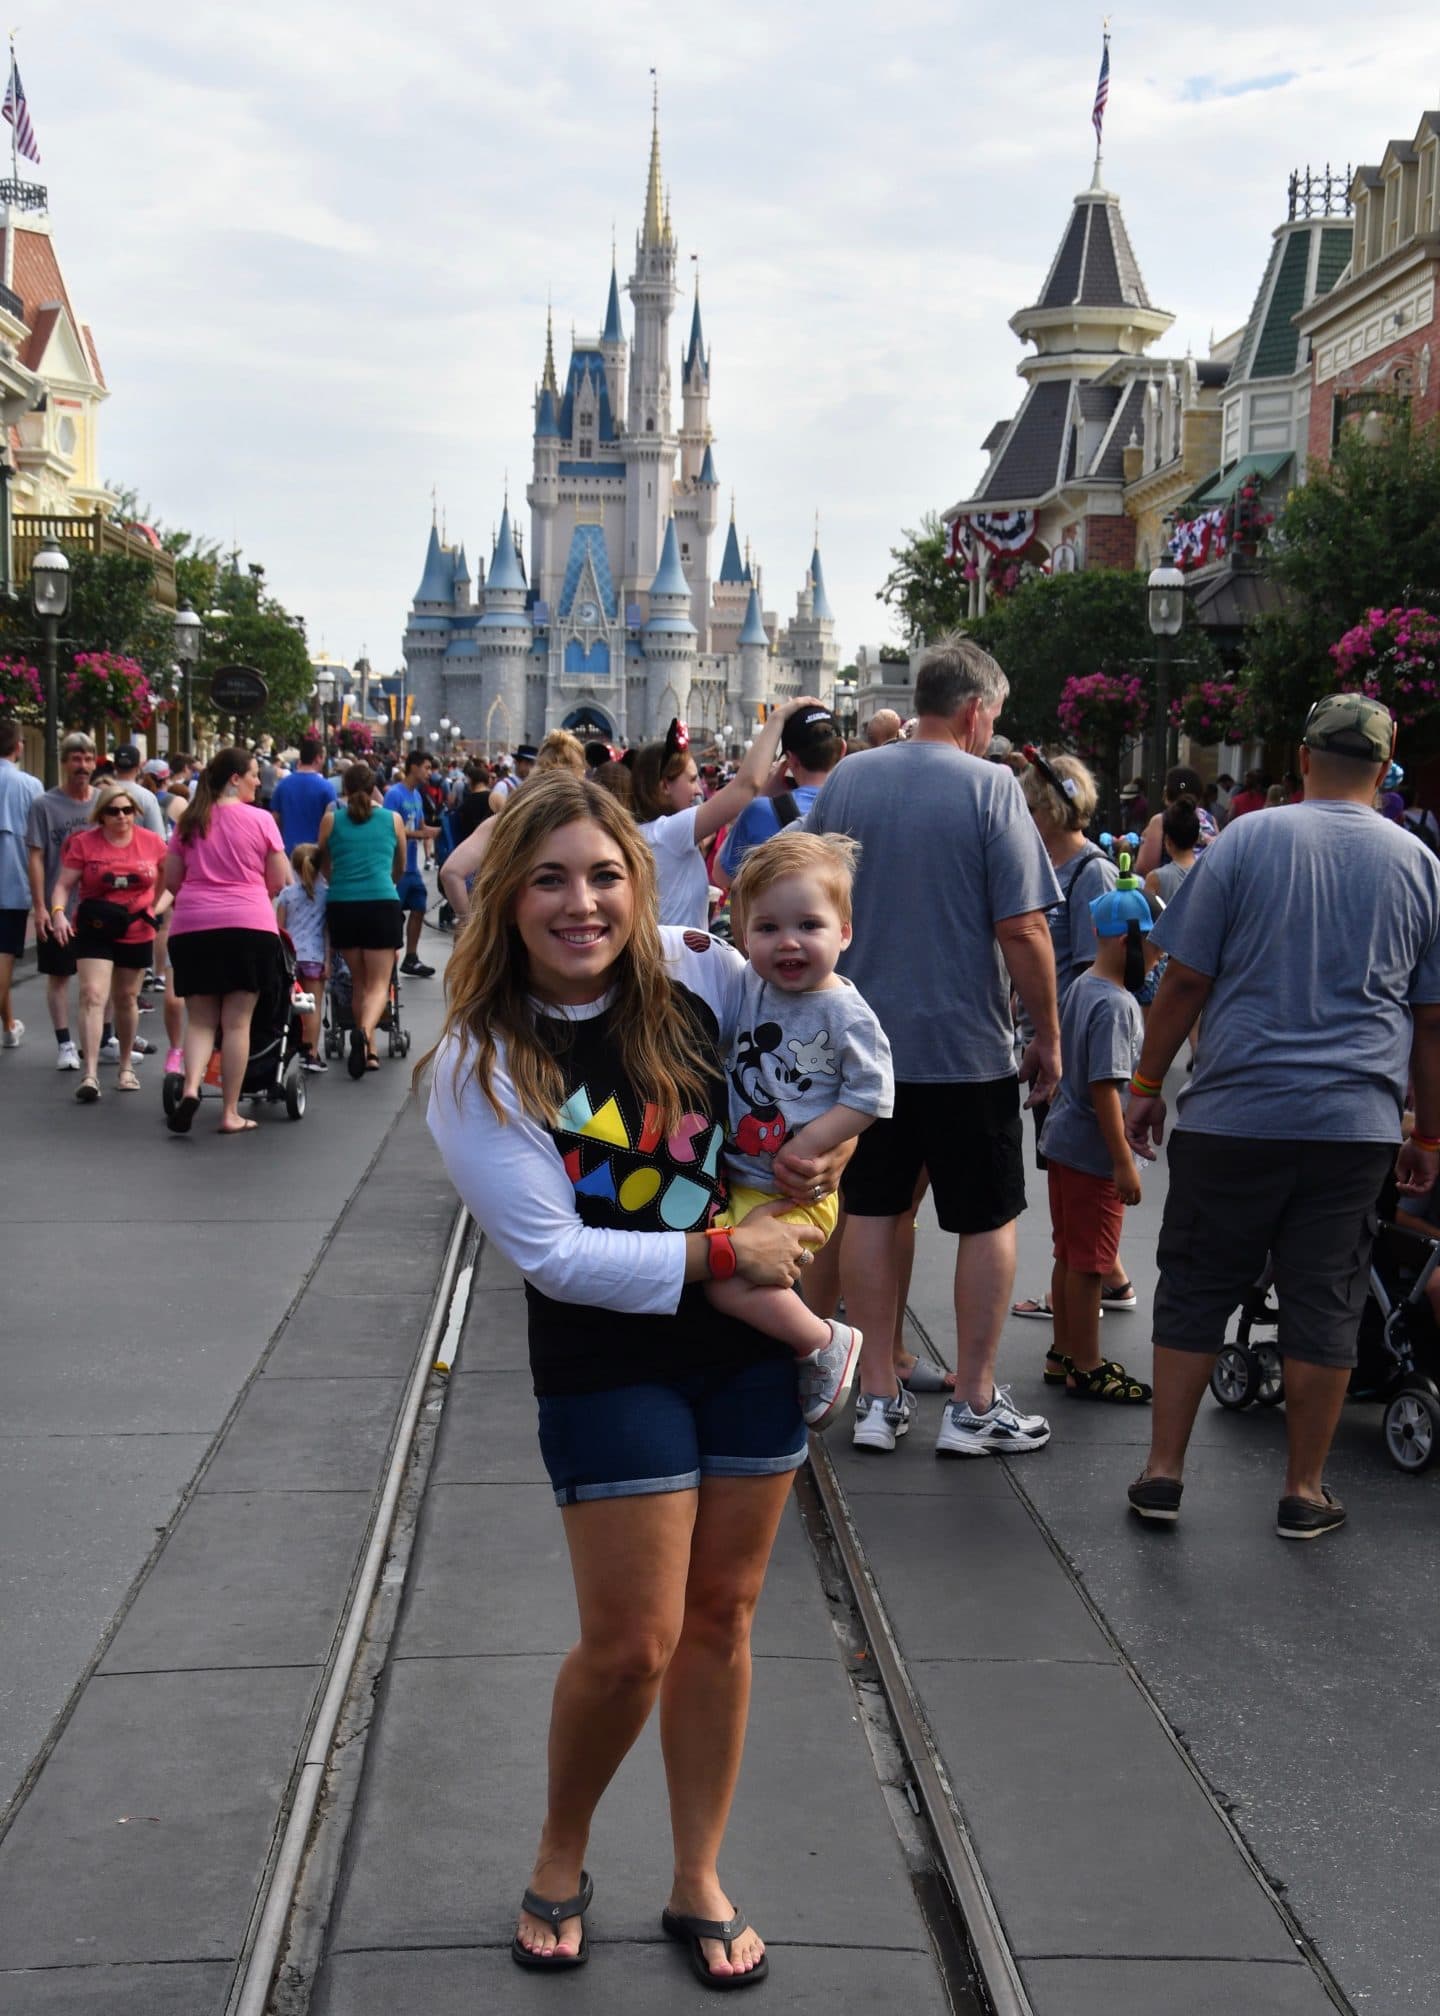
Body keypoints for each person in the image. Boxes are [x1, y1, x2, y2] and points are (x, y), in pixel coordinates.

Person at [424, 772, 851, 1987]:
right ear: (505, 897)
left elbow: (827, 1038)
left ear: (640, 883)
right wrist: (731, 1249)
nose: (581, 903)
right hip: (612, 1354)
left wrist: (834, 1143)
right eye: (550, 878)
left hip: (744, 1345)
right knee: (632, 1643)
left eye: (605, 875)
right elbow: (556, 1258)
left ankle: (697, 1873)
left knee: (723, 1618)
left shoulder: (705, 972)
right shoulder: (480, 1058)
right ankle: (561, 1853)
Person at [1125, 694, 1440, 1540]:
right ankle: (1303, 1489)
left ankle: (1162, 1474)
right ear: (1386, 764)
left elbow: (1184, 980)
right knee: (1326, 1299)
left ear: (1303, 758)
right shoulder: (1418, 863)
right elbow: (1432, 1018)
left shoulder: (1247, 841)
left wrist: (1146, 1085)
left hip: (1234, 1111)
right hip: (1353, 1125)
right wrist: (1428, 1134)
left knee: (1194, 1284)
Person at [802, 634, 1063, 1455]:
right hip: (965, 1046)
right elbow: (1022, 929)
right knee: (986, 1217)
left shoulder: (848, 777)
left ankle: (877, 1396)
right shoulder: (991, 788)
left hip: (863, 1048)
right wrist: (1048, 1035)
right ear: (976, 711)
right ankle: (975, 1403)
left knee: (875, 1210)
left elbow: (802, 886)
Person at [705, 830, 893, 1428]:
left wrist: (811, 1147)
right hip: (744, 1177)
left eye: (808, 926)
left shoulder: (844, 1011)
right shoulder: (749, 987)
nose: (788, 942)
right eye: (767, 929)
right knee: (718, 1272)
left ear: (845, 932)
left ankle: (823, 1342)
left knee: (722, 1276)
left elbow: (873, 1094)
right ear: (742, 935)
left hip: (797, 1190)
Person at [1010, 750, 1134, 1323]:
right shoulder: (1045, 867)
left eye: (1030, 807)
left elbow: (1092, 972)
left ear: (1049, 809)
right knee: (1063, 1174)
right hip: (1044, 1039)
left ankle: (1084, 1285)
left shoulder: (1092, 873)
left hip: (1072, 1052)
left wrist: (1055, 1040)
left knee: (1076, 1175)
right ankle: (1104, 1277)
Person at [1036, 866, 1152, 1402]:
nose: (1157, 960)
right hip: (1091, 1154)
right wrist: (1123, 1161)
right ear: (1129, 939)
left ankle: (1063, 1352)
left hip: (1064, 1142)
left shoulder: (1084, 985)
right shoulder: (1118, 1005)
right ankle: (1087, 1363)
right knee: (1092, 1263)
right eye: (1154, 949)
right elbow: (1107, 1089)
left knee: (1069, 1253)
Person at [164, 748, 291, 1135]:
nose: (259, 781)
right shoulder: (260, 820)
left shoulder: (189, 820)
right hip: (247, 924)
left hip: (193, 925)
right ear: (234, 778)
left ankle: (190, 1087)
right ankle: (230, 1111)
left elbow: (172, 880)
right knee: (237, 1024)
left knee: (201, 1019)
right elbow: (280, 879)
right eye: (254, 774)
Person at [630, 700, 817, 930]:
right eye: (690, 780)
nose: (699, 789)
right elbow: (746, 786)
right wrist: (777, 718)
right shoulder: (667, 832)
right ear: (664, 786)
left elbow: (744, 800)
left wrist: (767, 792)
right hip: (676, 964)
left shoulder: (654, 833)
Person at [48, 781, 171, 1100]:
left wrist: (154, 909)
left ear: (136, 812)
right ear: (101, 815)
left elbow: (171, 881)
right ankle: (89, 1074)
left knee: (126, 998)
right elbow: (63, 885)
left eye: (127, 811)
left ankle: (126, 1065)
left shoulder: (152, 842)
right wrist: (58, 912)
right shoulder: (85, 843)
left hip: (136, 928)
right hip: (95, 927)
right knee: (91, 994)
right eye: (114, 811)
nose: (121, 817)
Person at [439, 731, 588, 921]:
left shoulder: (509, 820)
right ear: (580, 774)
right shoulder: (591, 824)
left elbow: (452, 873)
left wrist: (472, 928)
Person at [318, 762, 406, 1079]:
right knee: (379, 983)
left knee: (358, 981)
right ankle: (365, 1034)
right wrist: (388, 882)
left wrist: (339, 881)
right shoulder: (392, 820)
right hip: (381, 902)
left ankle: (367, 1045)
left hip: (343, 904)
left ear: (345, 788)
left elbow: (323, 863)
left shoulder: (331, 820)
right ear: (374, 789)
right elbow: (401, 864)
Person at [26, 731, 99, 1071]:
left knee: (99, 979)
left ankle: (102, 1039)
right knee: (59, 975)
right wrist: (40, 906)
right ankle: (65, 1044)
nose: (81, 766)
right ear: (64, 763)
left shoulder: (103, 802)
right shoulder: (45, 805)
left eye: (86, 759)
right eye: (75, 759)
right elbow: (37, 856)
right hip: (60, 908)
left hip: (98, 907)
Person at [714, 706, 844, 890]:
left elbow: (722, 876)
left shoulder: (761, 811)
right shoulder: (857, 809)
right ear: (842, 750)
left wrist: (763, 795)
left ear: (790, 759)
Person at [0, 718, 41, 1048]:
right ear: (18, 747)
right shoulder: (28, 785)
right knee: (4, 956)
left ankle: (9, 1024)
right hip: (10, 880)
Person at [381, 749, 440, 978]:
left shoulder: (417, 795)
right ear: (413, 767)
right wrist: (419, 835)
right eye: (426, 767)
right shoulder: (395, 795)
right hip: (397, 865)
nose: (429, 773)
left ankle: (412, 957)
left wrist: (438, 831)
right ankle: (389, 957)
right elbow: (390, 829)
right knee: (393, 914)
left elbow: (421, 825)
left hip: (413, 865)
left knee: (419, 906)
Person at [276, 842, 329, 1069]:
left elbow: (278, 929)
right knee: (312, 1007)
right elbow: (328, 931)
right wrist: (329, 959)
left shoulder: (286, 895)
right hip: (315, 956)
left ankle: (285, 1049)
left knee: (289, 1006)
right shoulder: (326, 895)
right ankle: (311, 1053)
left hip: (290, 958)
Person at [1132, 765, 1218, 877]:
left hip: (1171, 889)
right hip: (1204, 886)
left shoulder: (1161, 821)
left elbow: (1145, 868)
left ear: (1167, 791)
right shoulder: (1210, 820)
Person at [271, 735, 338, 853]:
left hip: (289, 851)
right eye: (324, 757)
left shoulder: (282, 785)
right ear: (318, 758)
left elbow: (275, 819)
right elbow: (333, 822)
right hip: (315, 853)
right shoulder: (327, 787)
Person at [109, 745, 167, 839]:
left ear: (114, 766)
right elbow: (159, 838)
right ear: (139, 767)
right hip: (140, 851)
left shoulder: (101, 793)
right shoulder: (147, 797)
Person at [490, 745, 536, 812]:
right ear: (516, 763)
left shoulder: (534, 786)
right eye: (526, 763)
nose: (529, 768)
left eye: (532, 764)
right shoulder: (502, 786)